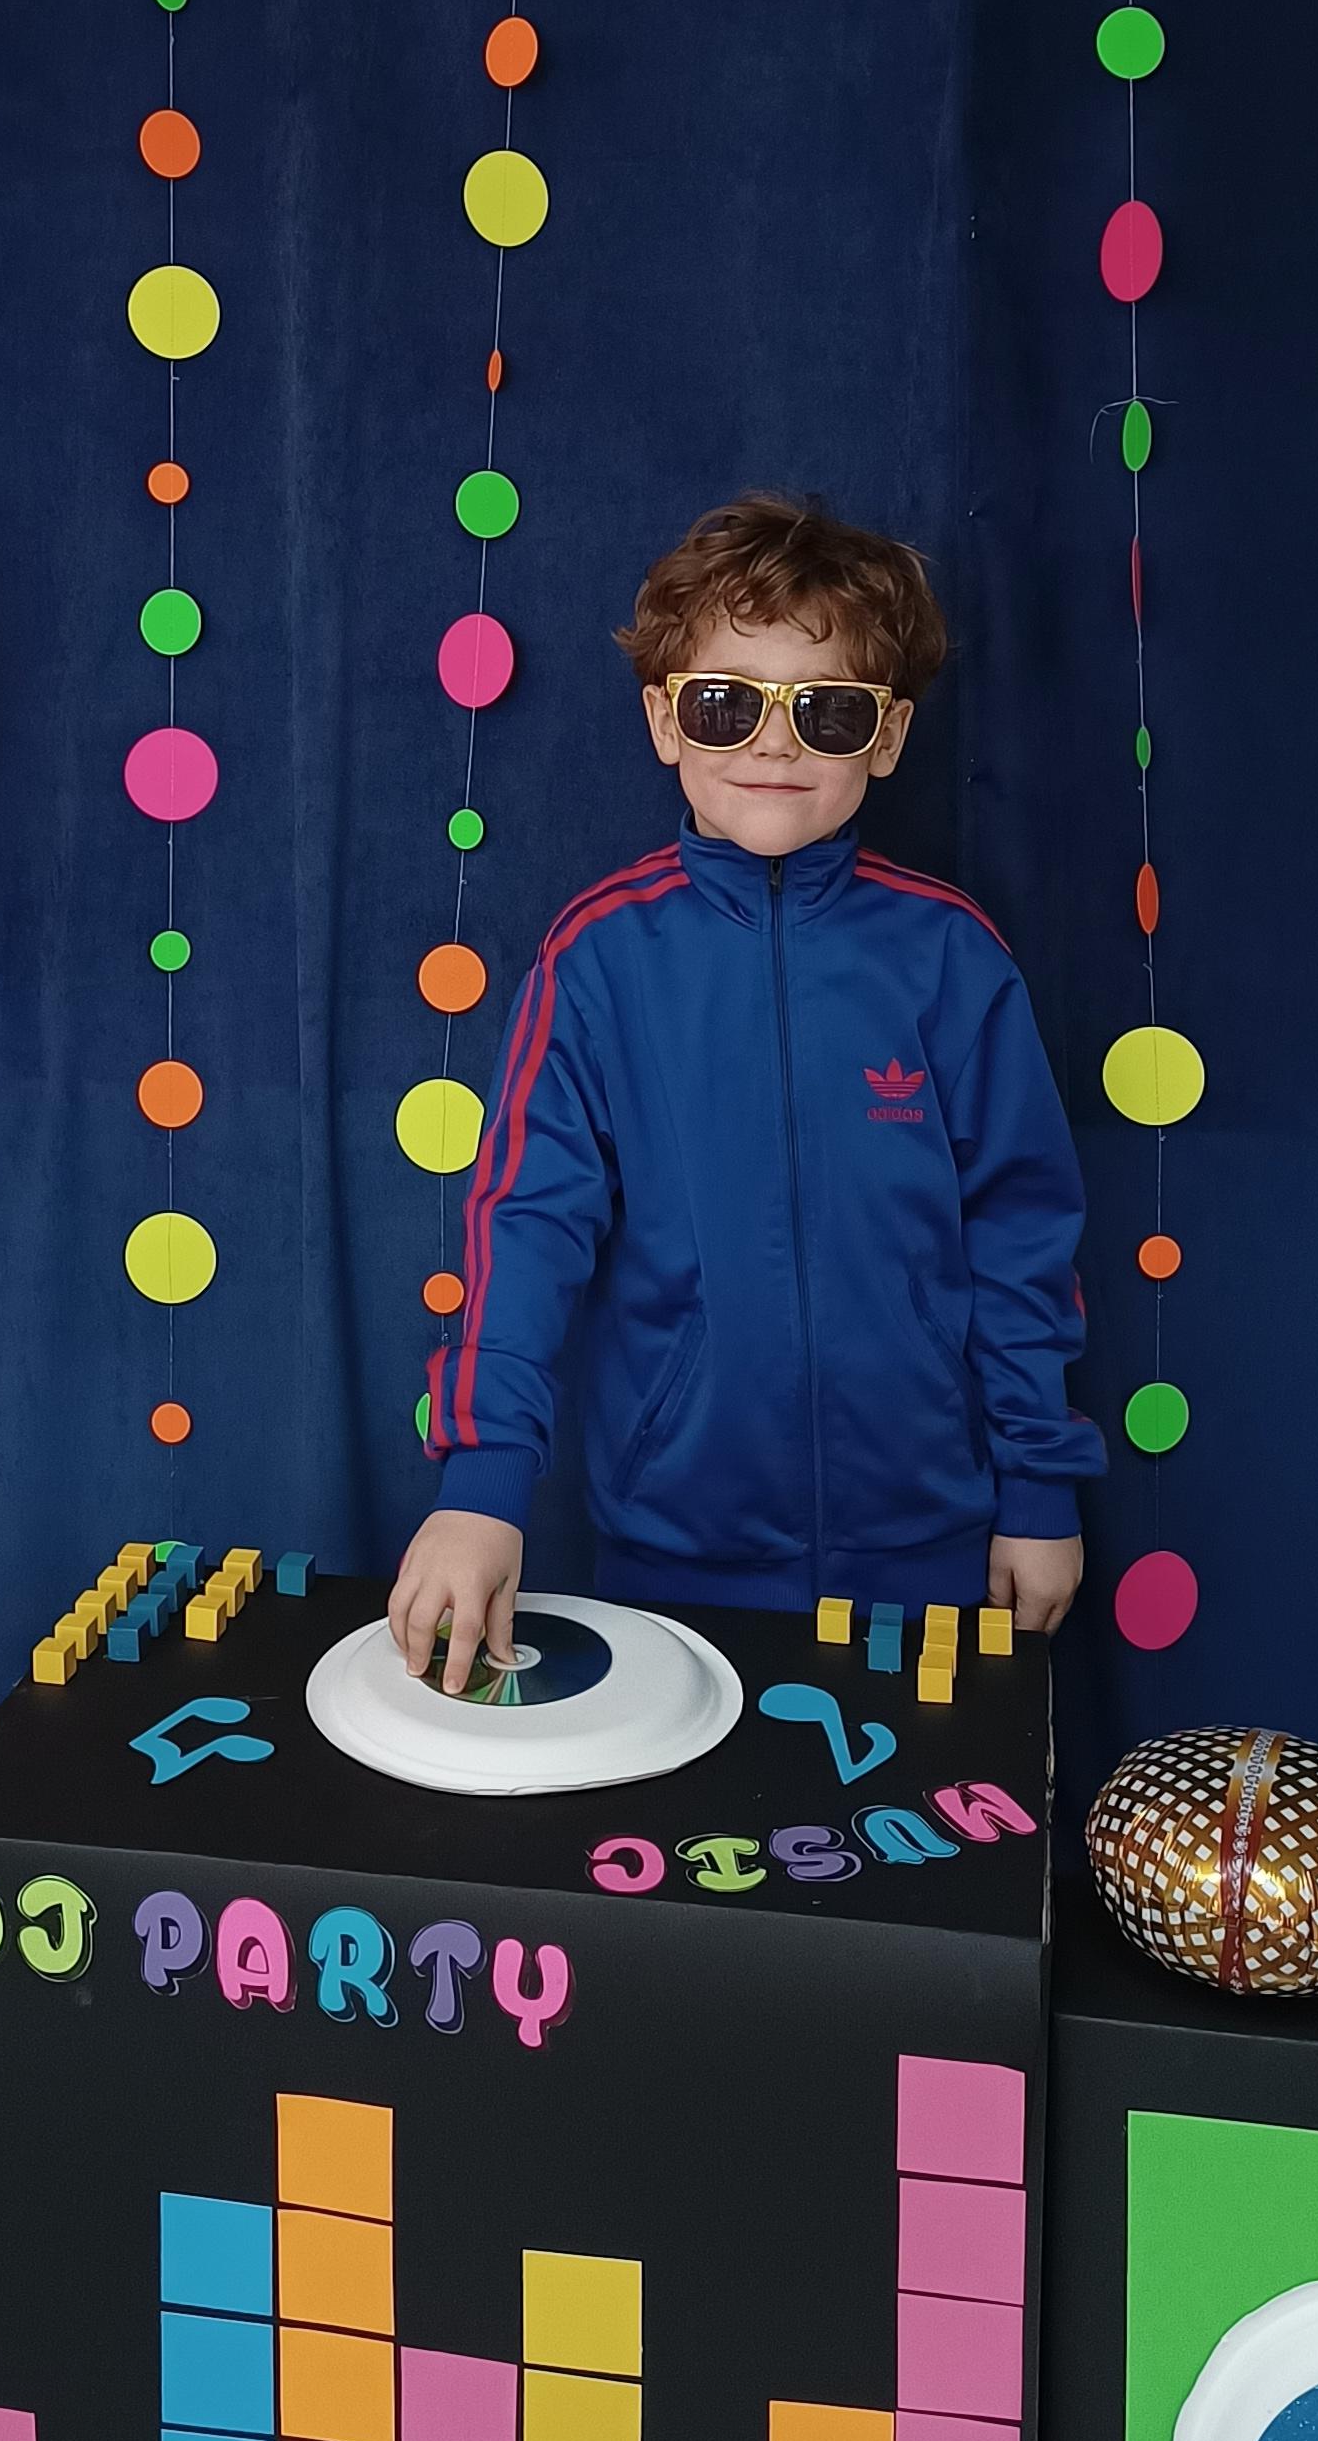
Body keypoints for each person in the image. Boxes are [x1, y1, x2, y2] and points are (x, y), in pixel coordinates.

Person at [389, 490, 1103, 1694]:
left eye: (828, 710)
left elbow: (1020, 1235)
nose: (776, 745)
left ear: (887, 736)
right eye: (727, 704)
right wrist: (482, 1487)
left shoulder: (952, 955)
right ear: (664, 720)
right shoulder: (597, 956)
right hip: (675, 1546)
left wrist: (1039, 1485)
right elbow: (526, 1229)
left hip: (932, 1541)